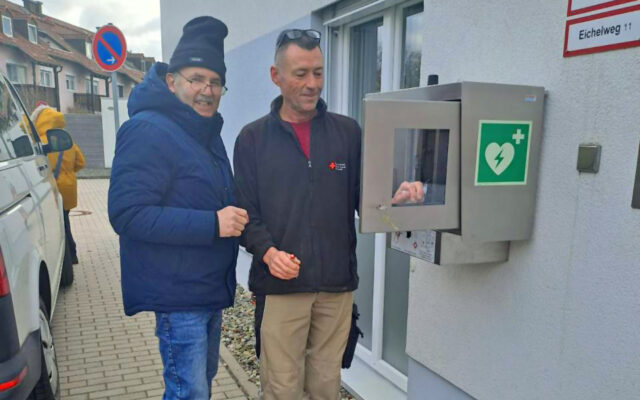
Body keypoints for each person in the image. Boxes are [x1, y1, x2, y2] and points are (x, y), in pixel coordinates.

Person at [233, 29, 422, 400]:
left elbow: (366, 200)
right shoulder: (252, 139)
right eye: (301, 73)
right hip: (281, 286)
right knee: (282, 389)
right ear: (276, 76)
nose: (311, 83)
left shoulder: (347, 132)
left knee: (325, 387)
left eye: (318, 72)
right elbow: (245, 214)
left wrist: (394, 198)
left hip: (336, 286)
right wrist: (269, 254)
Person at [108, 16, 248, 400]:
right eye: (196, 78)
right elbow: (127, 213)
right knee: (189, 392)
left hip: (206, 289)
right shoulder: (147, 129)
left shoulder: (204, 132)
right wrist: (212, 224)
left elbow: (220, 199)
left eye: (215, 81)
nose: (207, 89)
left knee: (199, 384)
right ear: (172, 81)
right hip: (177, 295)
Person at [32, 103, 85, 264]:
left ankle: (68, 255)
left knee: (59, 225)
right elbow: (81, 163)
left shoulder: (36, 143)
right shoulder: (65, 140)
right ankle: (72, 253)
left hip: (50, 189)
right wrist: (68, 172)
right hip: (68, 188)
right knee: (65, 220)